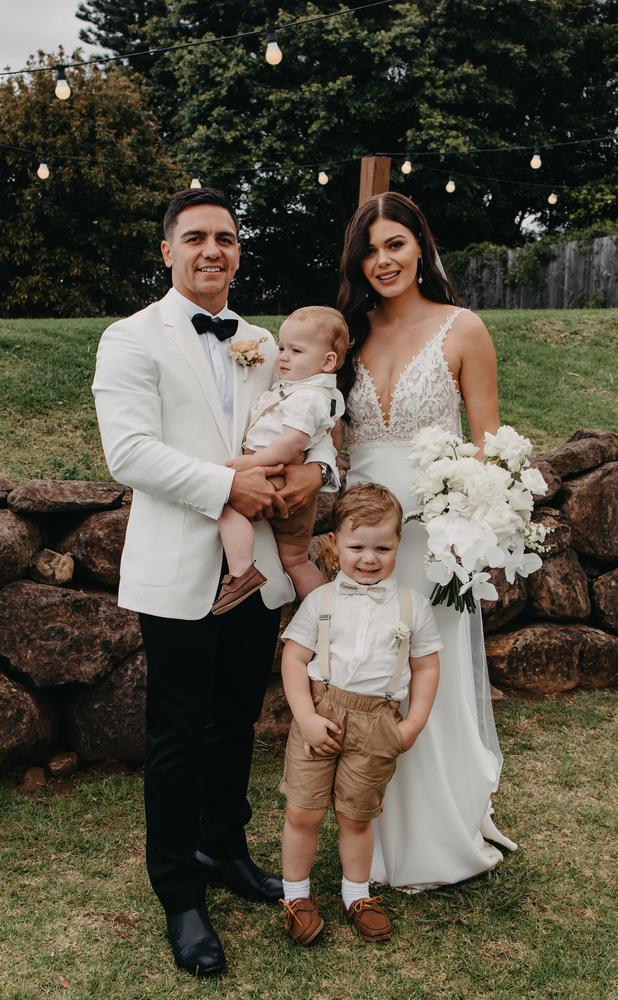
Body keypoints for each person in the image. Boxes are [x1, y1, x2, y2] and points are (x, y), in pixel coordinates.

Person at [92, 187, 338, 977]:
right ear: (167, 250)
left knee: (237, 721)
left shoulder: (266, 341)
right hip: (178, 568)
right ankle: (180, 892)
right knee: (178, 733)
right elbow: (128, 454)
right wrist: (227, 486)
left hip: (256, 567)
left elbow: (310, 416)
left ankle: (225, 849)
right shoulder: (130, 340)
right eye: (195, 237)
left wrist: (317, 472)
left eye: (225, 238)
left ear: (238, 249)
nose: (212, 250)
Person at [335, 191, 517, 891]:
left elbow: (491, 446)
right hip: (366, 536)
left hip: (437, 540)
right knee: (370, 673)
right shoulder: (351, 334)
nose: (383, 261)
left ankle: (439, 830)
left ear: (421, 248)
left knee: (425, 670)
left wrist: (474, 531)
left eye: (395, 246)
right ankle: (369, 834)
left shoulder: (463, 329)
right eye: (370, 250)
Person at [278, 483, 441, 944]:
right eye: (357, 547)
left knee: (356, 816)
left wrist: (413, 724)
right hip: (321, 711)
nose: (369, 558)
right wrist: (306, 717)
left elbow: (426, 664)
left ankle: (357, 894)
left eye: (382, 548)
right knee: (303, 810)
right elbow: (293, 658)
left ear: (398, 545)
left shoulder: (412, 605)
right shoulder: (321, 601)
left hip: (378, 722)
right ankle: (296, 895)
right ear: (333, 544)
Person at [212, 306, 348, 614]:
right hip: (290, 483)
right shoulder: (313, 391)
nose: (282, 356)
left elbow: (291, 443)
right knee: (296, 561)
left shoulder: (306, 396)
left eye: (295, 350)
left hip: (273, 471)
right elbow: (334, 434)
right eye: (282, 347)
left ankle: (242, 572)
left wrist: (251, 463)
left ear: (327, 361)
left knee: (224, 502)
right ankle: (330, 613)